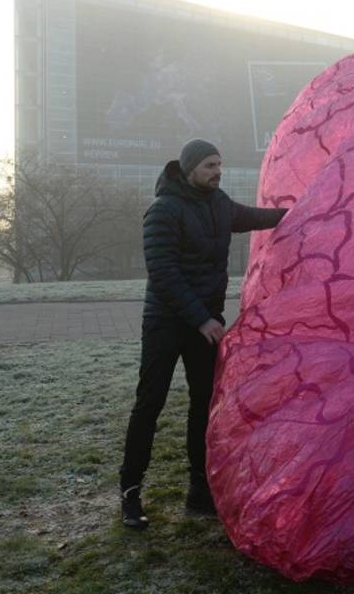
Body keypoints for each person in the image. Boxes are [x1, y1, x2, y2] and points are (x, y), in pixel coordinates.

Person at [119, 139, 288, 529]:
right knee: (150, 404)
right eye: (210, 165)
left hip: (204, 323)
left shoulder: (220, 204)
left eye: (220, 164)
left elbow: (259, 217)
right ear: (190, 167)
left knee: (204, 404)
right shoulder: (163, 210)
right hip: (166, 322)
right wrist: (201, 319)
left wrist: (302, 212)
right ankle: (130, 492)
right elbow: (162, 272)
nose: (217, 171)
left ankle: (199, 490)